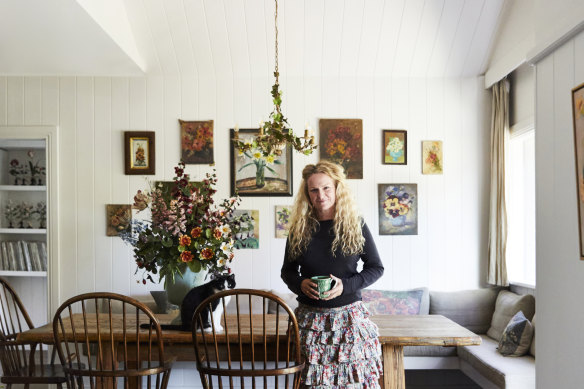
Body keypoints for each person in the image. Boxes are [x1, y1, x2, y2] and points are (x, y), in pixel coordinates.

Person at [281, 161, 384, 388]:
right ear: (307, 194)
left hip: (349, 322)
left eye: (326, 188)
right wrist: (301, 285)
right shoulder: (299, 228)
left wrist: (345, 286)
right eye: (314, 190)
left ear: (337, 188)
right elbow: (287, 271)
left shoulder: (355, 225)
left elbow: (376, 267)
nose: (321, 195)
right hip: (310, 323)